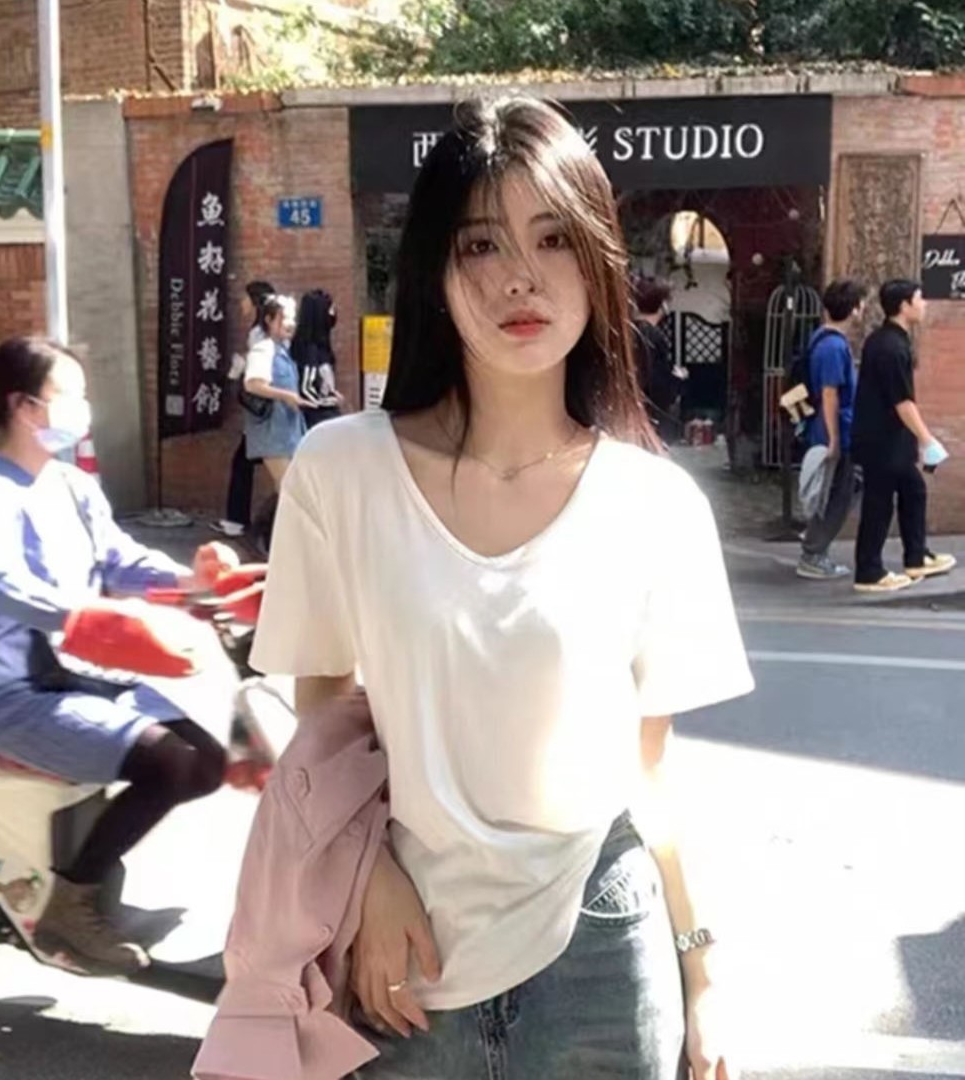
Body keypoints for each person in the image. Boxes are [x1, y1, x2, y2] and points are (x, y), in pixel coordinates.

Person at [250, 97, 753, 1079]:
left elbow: (650, 772)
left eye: (554, 238)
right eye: (481, 244)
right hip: (403, 961)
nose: (521, 277)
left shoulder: (656, 505)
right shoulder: (343, 470)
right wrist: (367, 877)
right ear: (436, 274)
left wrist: (701, 973)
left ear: (598, 262)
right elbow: (320, 708)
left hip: (604, 953)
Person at [0, 338, 235, 975]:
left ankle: (93, 866)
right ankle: (69, 906)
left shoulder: (71, 485)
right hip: (19, 693)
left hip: (85, 675)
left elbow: (119, 560)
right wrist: (89, 619)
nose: (83, 407)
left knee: (208, 760)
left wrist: (195, 581)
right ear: (25, 407)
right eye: (70, 394)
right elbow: (2, 582)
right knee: (168, 762)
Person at [852, 279, 956, 594]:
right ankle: (869, 571)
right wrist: (927, 439)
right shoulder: (891, 347)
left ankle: (916, 556)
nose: (924, 305)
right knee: (878, 504)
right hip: (882, 440)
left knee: (913, 490)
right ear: (904, 306)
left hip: (889, 438)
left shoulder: (888, 340)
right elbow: (902, 401)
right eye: (919, 299)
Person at [795, 279, 867, 581]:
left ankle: (814, 548)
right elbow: (829, 394)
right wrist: (834, 438)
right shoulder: (834, 347)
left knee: (837, 491)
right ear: (855, 309)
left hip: (830, 428)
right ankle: (813, 554)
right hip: (835, 431)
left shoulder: (821, 340)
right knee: (835, 495)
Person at [213, 278, 275, 540]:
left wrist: (241, 367)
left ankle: (238, 521)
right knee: (248, 463)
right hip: (269, 412)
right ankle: (239, 520)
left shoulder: (258, 333)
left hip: (263, 413)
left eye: (246, 298)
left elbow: (261, 369)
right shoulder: (267, 331)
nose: (242, 303)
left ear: (255, 302)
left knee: (247, 464)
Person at [242, 294, 310, 493]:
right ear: (268, 320)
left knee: (288, 489)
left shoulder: (283, 349)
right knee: (291, 489)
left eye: (292, 318)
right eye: (284, 318)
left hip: (288, 430)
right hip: (271, 431)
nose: (290, 324)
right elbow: (253, 384)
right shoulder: (263, 349)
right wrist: (287, 396)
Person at [633, 277, 686, 443]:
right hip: (650, 413)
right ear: (663, 304)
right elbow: (658, 382)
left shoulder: (626, 331)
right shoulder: (654, 337)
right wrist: (677, 379)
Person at [291, 288, 344, 428]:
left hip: (324, 415)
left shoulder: (321, 346)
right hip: (317, 419)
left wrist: (332, 393)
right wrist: (330, 400)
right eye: (330, 309)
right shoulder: (309, 349)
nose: (333, 313)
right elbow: (306, 389)